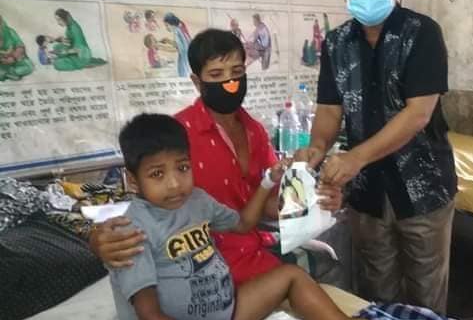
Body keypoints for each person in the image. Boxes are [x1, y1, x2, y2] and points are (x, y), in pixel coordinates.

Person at [111, 113, 376, 320]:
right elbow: (151, 319)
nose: (174, 183)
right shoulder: (129, 232)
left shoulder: (198, 201)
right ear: (132, 180)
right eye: (157, 174)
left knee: (290, 275)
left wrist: (267, 181)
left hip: (225, 317)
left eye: (182, 168)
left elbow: (244, 223)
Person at [90, 30, 343, 286]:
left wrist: (315, 200)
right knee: (304, 280)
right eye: (216, 74)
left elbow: (267, 204)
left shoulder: (254, 131)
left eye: (237, 72)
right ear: (197, 82)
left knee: (326, 258)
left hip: (254, 243)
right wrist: (102, 239)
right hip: (203, 263)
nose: (229, 82)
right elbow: (147, 206)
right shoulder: (178, 136)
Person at [295, 0, 457, 313]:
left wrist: (356, 158)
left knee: (426, 300)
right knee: (375, 295)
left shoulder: (422, 33)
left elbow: (418, 114)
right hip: (367, 195)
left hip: (422, 189)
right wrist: (317, 147)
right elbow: (329, 110)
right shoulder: (336, 43)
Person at [0, 15, 34, 81]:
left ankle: (10, 73)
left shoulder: (10, 31)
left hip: (14, 59)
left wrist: (13, 58)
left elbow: (20, 46)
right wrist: (2, 59)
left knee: (29, 67)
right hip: (2, 63)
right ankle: (7, 74)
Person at [162, 13, 191, 78]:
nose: (166, 28)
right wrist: (168, 41)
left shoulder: (177, 32)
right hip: (188, 56)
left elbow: (176, 49)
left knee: (184, 75)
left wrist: (160, 47)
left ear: (172, 23)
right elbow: (181, 44)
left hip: (184, 59)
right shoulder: (180, 28)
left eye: (167, 25)